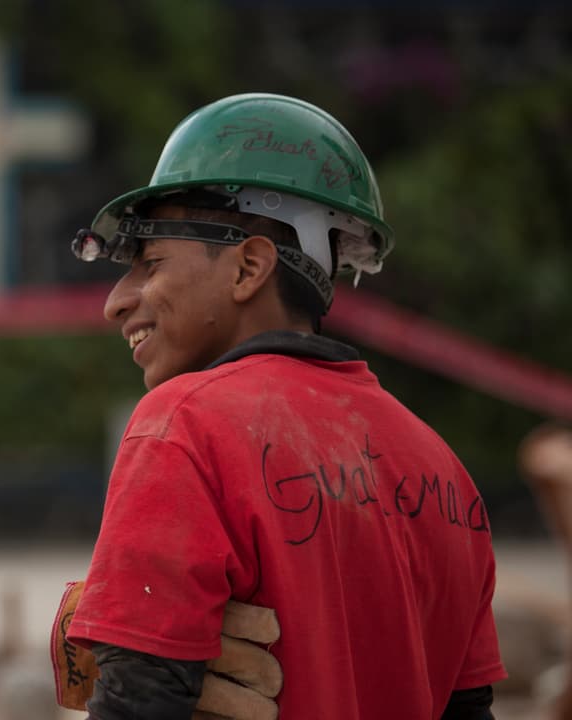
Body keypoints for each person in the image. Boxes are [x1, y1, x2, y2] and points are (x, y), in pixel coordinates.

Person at [60, 93, 506, 718]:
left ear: (248, 267)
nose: (116, 302)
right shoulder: (441, 466)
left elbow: (138, 701)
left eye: (150, 262)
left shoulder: (182, 427)